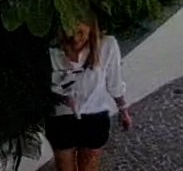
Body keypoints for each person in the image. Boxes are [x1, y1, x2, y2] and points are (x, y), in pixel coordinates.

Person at [48, 18, 131, 171]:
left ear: (91, 25)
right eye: (70, 31)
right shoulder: (51, 49)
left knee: (89, 167)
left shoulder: (107, 45)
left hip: (95, 115)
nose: (75, 38)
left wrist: (123, 108)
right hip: (61, 118)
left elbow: (114, 83)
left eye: (80, 32)